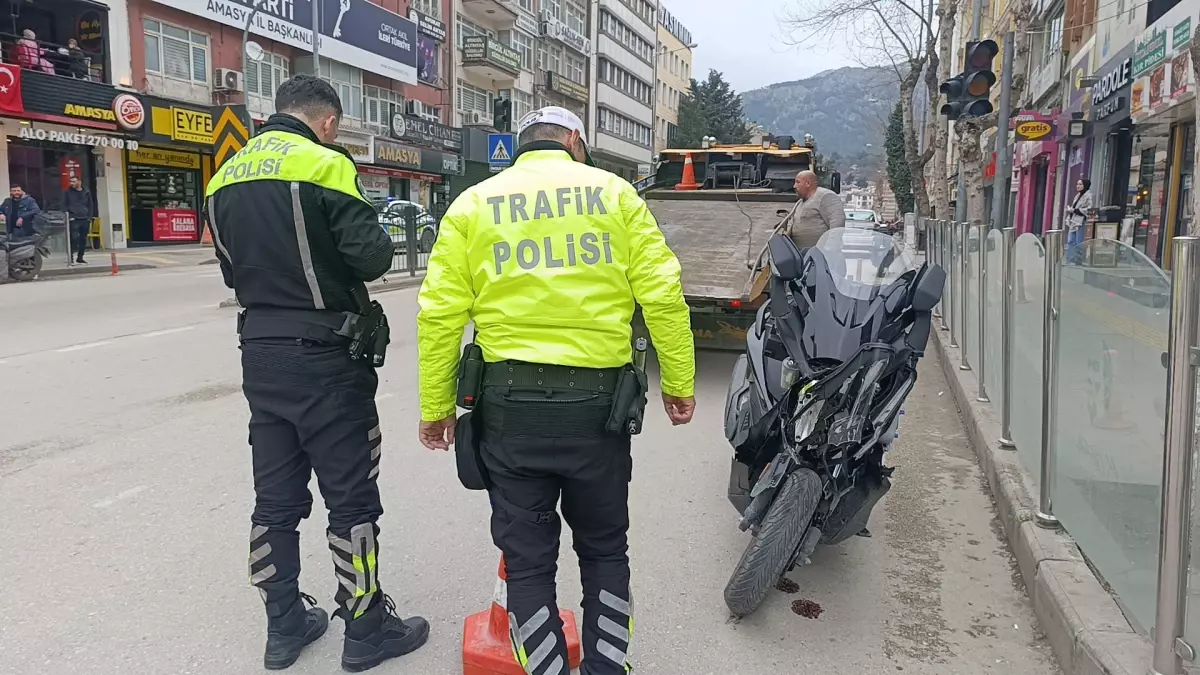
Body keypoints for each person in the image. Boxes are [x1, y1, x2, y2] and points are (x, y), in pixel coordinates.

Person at [416, 106, 697, 675]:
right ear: (574, 140)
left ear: (522, 144)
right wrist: (680, 384)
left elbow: (440, 314)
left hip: (509, 411)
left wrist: (435, 407)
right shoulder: (616, 196)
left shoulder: (473, 204)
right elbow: (664, 296)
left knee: (527, 567)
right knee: (603, 551)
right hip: (598, 414)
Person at [203, 74, 428, 672]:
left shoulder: (225, 175)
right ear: (327, 121)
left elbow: (231, 272)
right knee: (352, 498)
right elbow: (373, 257)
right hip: (327, 356)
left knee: (274, 500)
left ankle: (283, 628)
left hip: (260, 354)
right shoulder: (325, 164)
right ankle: (365, 628)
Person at [788, 169, 845, 249]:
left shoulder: (826, 196)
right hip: (803, 255)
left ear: (807, 183)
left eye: (797, 182)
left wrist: (829, 249)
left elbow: (837, 224)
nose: (794, 186)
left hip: (821, 256)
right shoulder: (801, 201)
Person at [65, 176, 93, 264]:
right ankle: (71, 257)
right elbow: (64, 204)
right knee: (73, 238)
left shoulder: (86, 192)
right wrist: (69, 216)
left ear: (79, 182)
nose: (72, 183)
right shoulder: (68, 192)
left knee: (83, 239)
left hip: (84, 218)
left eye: (74, 181)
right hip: (74, 218)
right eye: (71, 182)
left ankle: (80, 257)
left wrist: (89, 217)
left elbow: (90, 205)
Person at [1066, 178, 1092, 265]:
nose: (1078, 186)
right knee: (1070, 241)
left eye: (1080, 184)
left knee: (1079, 241)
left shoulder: (1088, 196)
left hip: (1080, 221)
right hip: (1073, 221)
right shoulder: (1077, 196)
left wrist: (1074, 210)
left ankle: (1078, 260)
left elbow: (1089, 209)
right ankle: (1070, 259)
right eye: (1077, 184)